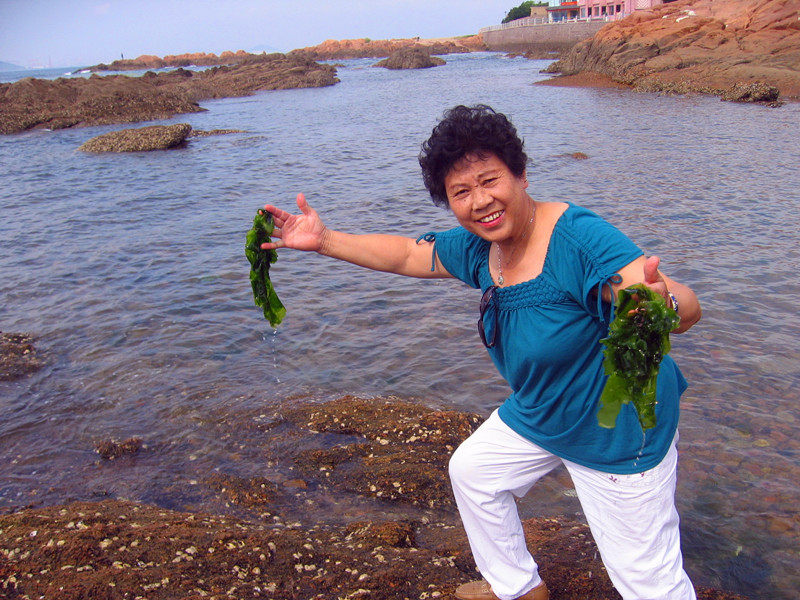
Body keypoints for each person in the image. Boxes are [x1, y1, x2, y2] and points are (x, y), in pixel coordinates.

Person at [261, 105, 702, 600]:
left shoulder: (577, 239)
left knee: (647, 580)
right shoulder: (481, 246)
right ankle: (519, 589)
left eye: (490, 180)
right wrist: (324, 240)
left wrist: (660, 308)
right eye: (461, 192)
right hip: (543, 411)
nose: (480, 201)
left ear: (521, 174)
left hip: (617, 430)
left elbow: (684, 305)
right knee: (474, 474)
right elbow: (408, 254)